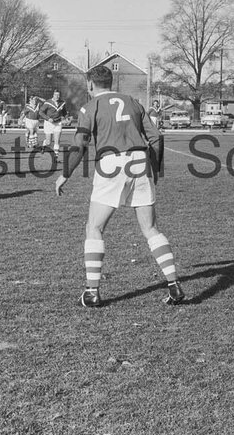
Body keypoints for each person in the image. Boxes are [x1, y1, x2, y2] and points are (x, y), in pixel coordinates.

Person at [55, 65, 183, 308]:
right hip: (140, 161)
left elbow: (80, 145)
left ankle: (92, 292)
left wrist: (65, 173)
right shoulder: (134, 102)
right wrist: (155, 169)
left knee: (94, 227)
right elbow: (156, 137)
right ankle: (174, 285)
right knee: (150, 228)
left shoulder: (90, 107)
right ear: (110, 82)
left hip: (110, 163)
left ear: (90, 84)